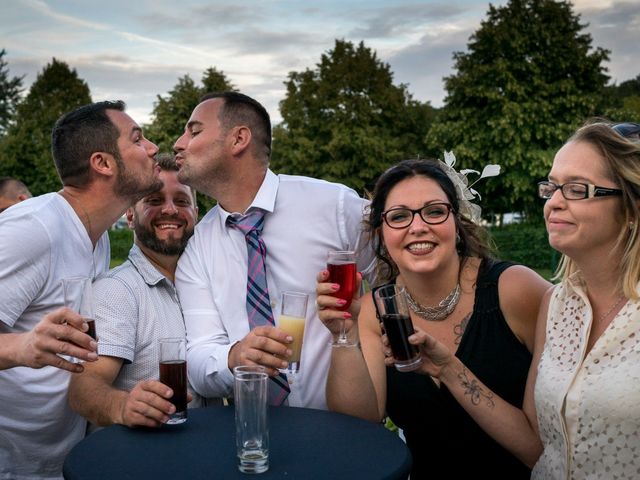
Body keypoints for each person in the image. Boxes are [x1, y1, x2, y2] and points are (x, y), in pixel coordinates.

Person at [316, 157, 551, 478]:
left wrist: (449, 370)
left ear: (457, 221)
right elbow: (361, 421)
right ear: (381, 233)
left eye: (434, 211)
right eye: (399, 217)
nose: (417, 226)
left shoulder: (515, 289)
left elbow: (545, 449)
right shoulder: (374, 309)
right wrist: (343, 334)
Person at [172, 91, 375, 409]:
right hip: (255, 437)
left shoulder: (335, 207)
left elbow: (394, 283)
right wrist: (234, 357)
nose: (179, 144)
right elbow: (199, 357)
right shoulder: (198, 249)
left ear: (239, 139)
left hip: (346, 427)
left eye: (194, 131)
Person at [0, 100, 160, 479]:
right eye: (138, 139)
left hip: (56, 458)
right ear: (102, 163)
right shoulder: (32, 230)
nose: (153, 147)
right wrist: (24, 347)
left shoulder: (97, 235)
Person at [68, 153, 212, 430]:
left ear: (196, 214)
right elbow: (83, 389)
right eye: (154, 200)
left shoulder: (209, 285)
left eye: (182, 201)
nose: (170, 210)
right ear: (131, 215)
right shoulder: (117, 291)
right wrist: (123, 406)